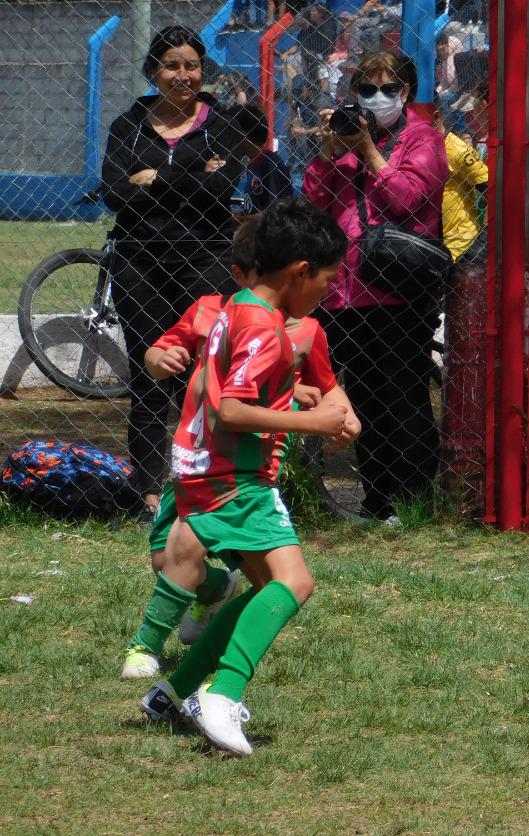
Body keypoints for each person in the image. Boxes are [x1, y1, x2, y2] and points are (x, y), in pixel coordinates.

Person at [138, 198, 351, 757]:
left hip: (206, 473)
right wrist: (312, 420)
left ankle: (174, 691)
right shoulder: (266, 329)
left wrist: (303, 397)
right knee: (294, 583)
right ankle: (223, 693)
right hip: (236, 480)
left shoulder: (237, 307)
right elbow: (229, 410)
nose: (328, 292)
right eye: (327, 280)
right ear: (300, 272)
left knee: (266, 587)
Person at [101, 26, 247, 519]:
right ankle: (146, 492)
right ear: (153, 70)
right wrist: (190, 175)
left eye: (191, 66)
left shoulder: (221, 123)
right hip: (138, 261)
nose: (183, 76)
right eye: (171, 65)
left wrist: (155, 178)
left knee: (200, 375)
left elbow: (219, 191)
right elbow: (115, 194)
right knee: (150, 373)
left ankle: (197, 485)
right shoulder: (129, 125)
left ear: (202, 71)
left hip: (203, 260)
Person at [303, 51, 449, 521]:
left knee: (402, 394)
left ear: (406, 93)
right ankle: (377, 498)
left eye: (389, 89)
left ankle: (412, 500)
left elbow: (406, 198)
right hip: (344, 291)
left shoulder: (422, 139)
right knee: (363, 396)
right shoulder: (342, 138)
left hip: (397, 290)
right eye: (367, 89)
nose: (378, 98)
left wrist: (369, 152)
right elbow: (312, 202)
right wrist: (330, 152)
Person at [433, 105, 489, 264]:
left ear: (435, 117)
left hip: (459, 248)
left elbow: (492, 191)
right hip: (428, 242)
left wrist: (484, 239)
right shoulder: (414, 146)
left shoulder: (457, 149)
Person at [230, 104, 294, 216]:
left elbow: (278, 212)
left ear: (244, 136)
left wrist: (246, 221)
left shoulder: (270, 164)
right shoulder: (254, 164)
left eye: (231, 133)